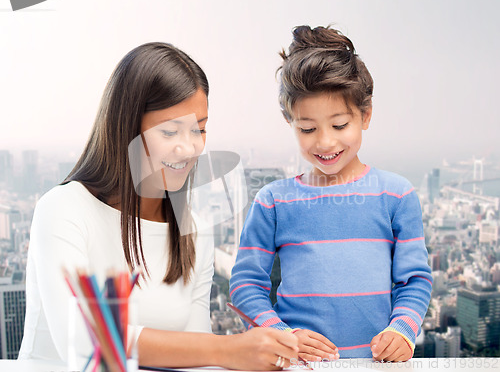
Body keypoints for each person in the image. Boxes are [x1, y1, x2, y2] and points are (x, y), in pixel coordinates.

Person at [18, 42, 299, 370]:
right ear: (126, 128)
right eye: (169, 131)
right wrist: (227, 350)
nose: (189, 147)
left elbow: (196, 350)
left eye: (199, 129)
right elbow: (85, 340)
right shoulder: (63, 209)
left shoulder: (192, 230)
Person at [229, 25, 433, 363]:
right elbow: (246, 283)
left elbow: (415, 280)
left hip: (375, 366)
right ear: (290, 122)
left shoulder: (397, 195)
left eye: (339, 125)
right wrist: (282, 334)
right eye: (307, 129)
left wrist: (403, 329)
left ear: (365, 115)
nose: (325, 142)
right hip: (297, 366)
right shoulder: (273, 200)